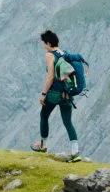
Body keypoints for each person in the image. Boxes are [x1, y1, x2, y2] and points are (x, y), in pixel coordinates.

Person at [32, 29, 81, 162]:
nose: (43, 46)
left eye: (44, 43)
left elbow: (50, 77)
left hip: (54, 94)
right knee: (68, 122)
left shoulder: (50, 55)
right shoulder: (63, 53)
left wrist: (43, 94)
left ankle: (43, 146)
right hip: (67, 94)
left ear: (48, 43)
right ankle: (75, 152)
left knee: (44, 116)